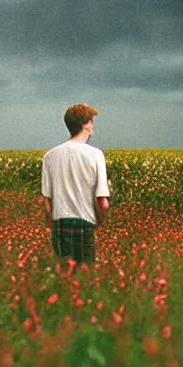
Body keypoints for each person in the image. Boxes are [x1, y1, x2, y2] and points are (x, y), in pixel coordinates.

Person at [41, 104, 110, 264]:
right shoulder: (95, 155)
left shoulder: (50, 156)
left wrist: (52, 226)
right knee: (84, 279)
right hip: (84, 224)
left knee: (64, 277)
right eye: (91, 122)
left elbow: (47, 201)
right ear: (85, 124)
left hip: (59, 225)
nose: (93, 126)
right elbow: (103, 203)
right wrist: (100, 222)